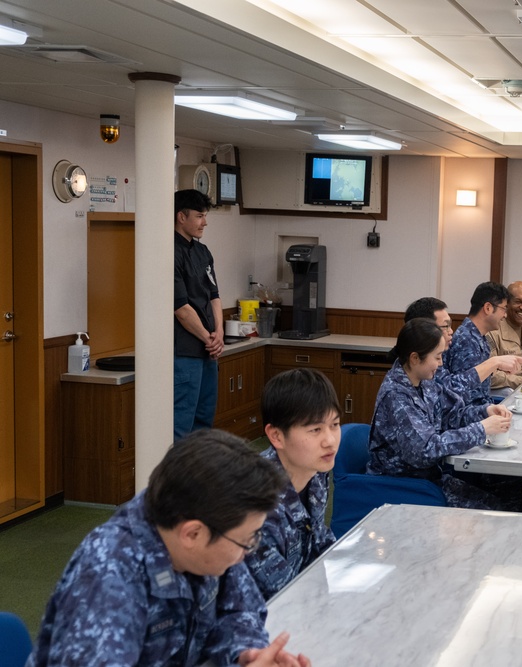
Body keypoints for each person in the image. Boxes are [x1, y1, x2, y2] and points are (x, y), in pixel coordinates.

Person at [28, 430, 311, 667]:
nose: (249, 551)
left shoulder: (207, 534)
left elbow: (239, 611)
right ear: (192, 533)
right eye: (247, 540)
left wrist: (246, 653)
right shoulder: (109, 577)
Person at [368, 318, 517, 509]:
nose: (440, 364)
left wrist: (485, 412)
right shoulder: (397, 395)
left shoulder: (424, 380)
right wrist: (481, 429)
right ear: (415, 358)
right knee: (491, 511)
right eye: (437, 357)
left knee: (505, 498)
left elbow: (450, 416)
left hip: (430, 478)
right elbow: (425, 450)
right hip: (405, 485)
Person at [244, 368, 341, 600]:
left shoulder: (315, 469)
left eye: (335, 425)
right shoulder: (255, 503)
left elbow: (320, 543)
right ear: (276, 436)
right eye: (315, 429)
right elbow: (279, 595)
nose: (330, 440)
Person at [174, 188, 224, 440]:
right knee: (182, 423)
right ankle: (178, 479)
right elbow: (181, 309)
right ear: (181, 217)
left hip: (208, 351)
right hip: (185, 353)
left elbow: (214, 296)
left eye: (205, 216)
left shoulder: (203, 252)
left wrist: (220, 335)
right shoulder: (169, 251)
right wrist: (208, 339)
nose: (204, 222)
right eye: (199, 216)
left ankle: (199, 476)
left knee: (204, 421)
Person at [404, 295, 522, 396]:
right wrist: (493, 363)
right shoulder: (401, 391)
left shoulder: (432, 361)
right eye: (445, 326)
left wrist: (486, 411)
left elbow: (454, 411)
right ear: (424, 330)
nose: (451, 331)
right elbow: (451, 392)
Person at [442, 282, 522, 406]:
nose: (505, 315)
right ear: (488, 308)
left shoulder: (478, 336)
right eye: (504, 309)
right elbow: (462, 395)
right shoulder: (466, 340)